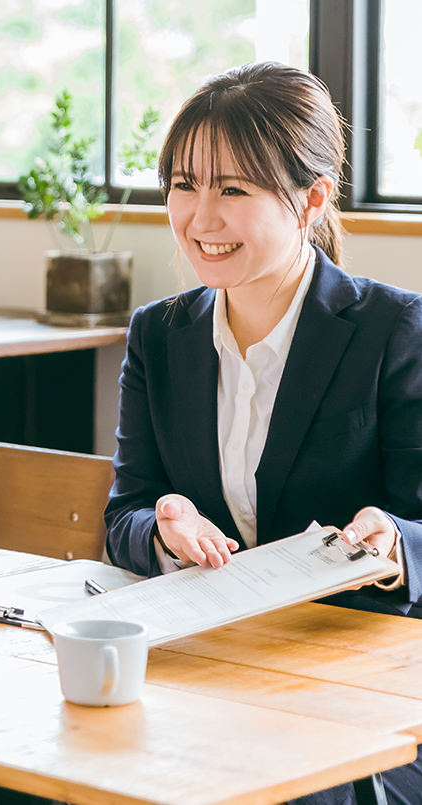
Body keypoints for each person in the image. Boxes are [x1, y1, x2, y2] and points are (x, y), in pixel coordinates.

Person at [104, 62, 422, 803]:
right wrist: (162, 526)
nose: (200, 217)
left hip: (355, 692)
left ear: (311, 199)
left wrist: (391, 541)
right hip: (207, 672)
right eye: (185, 184)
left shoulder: (394, 330)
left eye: (233, 189)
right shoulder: (160, 334)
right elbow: (124, 514)